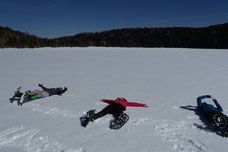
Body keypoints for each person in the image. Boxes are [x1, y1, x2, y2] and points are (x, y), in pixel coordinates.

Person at [83, 97, 148, 127]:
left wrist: (142, 105)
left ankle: (94, 116)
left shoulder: (122, 101)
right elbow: (109, 101)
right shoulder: (120, 101)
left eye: (121, 98)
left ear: (123, 99)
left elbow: (134, 104)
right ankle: (121, 118)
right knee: (113, 112)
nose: (119, 98)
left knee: (106, 111)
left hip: (115, 106)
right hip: (117, 106)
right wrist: (103, 100)